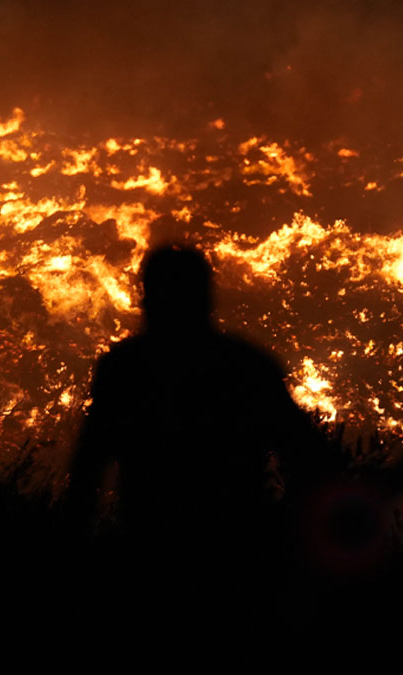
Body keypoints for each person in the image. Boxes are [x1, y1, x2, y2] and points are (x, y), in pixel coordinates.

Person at [66, 244, 321, 607]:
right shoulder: (246, 366)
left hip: (154, 558)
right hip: (238, 559)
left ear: (146, 298)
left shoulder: (125, 369)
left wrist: (72, 554)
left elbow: (88, 470)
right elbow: (309, 457)